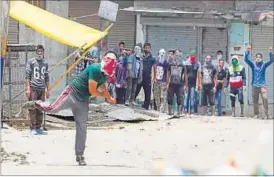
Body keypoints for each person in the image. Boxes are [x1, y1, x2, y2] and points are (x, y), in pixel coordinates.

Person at [21, 51, 117, 166]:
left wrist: (109, 98)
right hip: (71, 93)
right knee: (52, 109)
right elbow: (92, 90)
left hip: (83, 101)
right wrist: (104, 96)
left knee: (82, 128)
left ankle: (80, 156)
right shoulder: (95, 68)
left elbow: (102, 86)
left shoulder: (106, 74)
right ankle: (36, 103)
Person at [25, 44, 50, 135]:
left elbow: (47, 77)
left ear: (43, 52)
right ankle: (33, 128)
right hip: (33, 88)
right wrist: (28, 88)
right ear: (36, 52)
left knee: (40, 108)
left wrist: (48, 89)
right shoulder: (31, 62)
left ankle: (39, 127)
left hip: (42, 89)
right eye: (38, 51)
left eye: (41, 51)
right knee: (32, 108)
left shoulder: (45, 63)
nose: (39, 53)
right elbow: (27, 76)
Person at [244, 46, 273, 119]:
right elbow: (246, 60)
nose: (258, 58)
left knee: (265, 98)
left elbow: (271, 60)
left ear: (262, 58)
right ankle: (256, 114)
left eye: (259, 57)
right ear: (255, 58)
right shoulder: (253, 64)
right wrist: (247, 51)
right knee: (255, 101)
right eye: (257, 57)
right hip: (254, 85)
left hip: (262, 85)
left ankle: (267, 114)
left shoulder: (264, 64)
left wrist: (270, 52)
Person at [166, 49, 188, 117]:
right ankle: (170, 112)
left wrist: (186, 86)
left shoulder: (182, 65)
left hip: (180, 84)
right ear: (174, 55)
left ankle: (179, 112)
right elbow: (168, 74)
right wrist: (167, 84)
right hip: (171, 84)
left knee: (180, 98)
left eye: (178, 55)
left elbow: (185, 75)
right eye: (176, 54)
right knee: (170, 98)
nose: (177, 56)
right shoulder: (170, 64)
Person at [135, 43, 156, 110]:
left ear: (150, 49)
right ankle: (131, 102)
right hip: (140, 76)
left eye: (148, 48)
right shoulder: (140, 56)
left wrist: (154, 77)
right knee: (136, 90)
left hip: (147, 77)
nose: (147, 49)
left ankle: (146, 106)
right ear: (143, 48)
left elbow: (155, 68)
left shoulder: (152, 58)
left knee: (148, 93)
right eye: (146, 48)